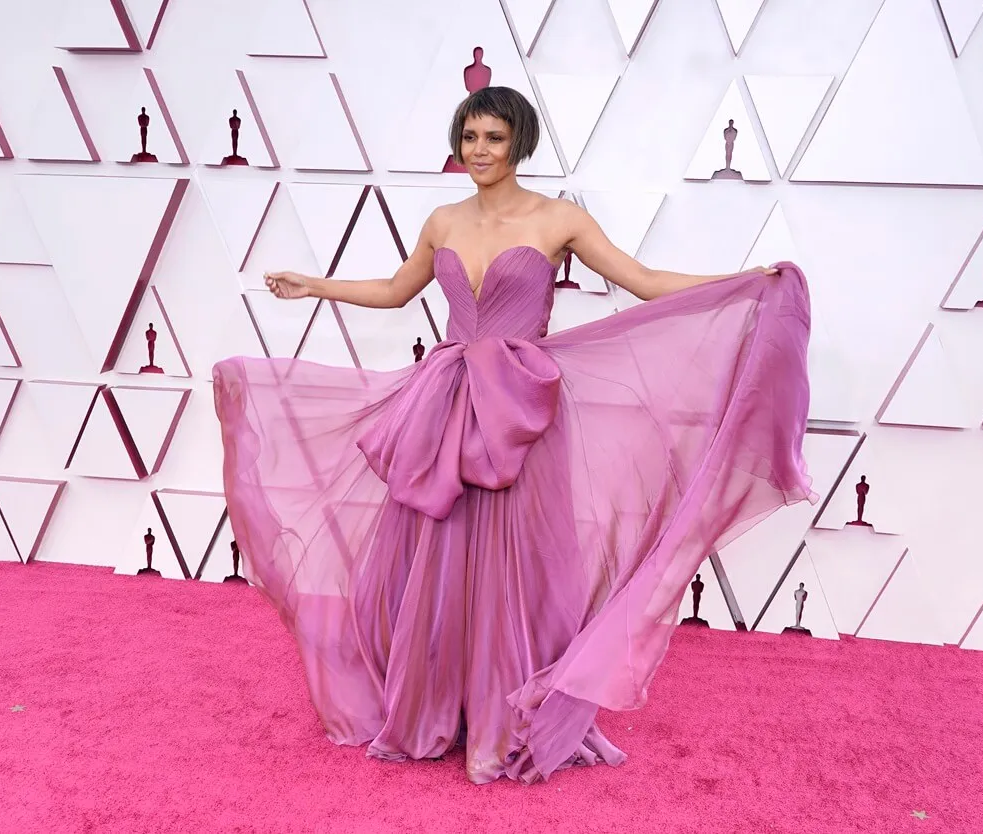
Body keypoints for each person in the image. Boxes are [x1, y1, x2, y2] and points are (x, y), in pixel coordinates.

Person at [212, 86, 817, 785]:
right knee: (435, 555)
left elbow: (644, 281)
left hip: (518, 413)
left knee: (511, 563)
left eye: (494, 139)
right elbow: (395, 289)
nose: (479, 152)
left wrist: (744, 279)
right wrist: (314, 285)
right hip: (443, 403)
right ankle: (434, 705)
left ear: (519, 143)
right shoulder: (442, 218)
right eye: (469, 138)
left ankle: (501, 714)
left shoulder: (560, 218)